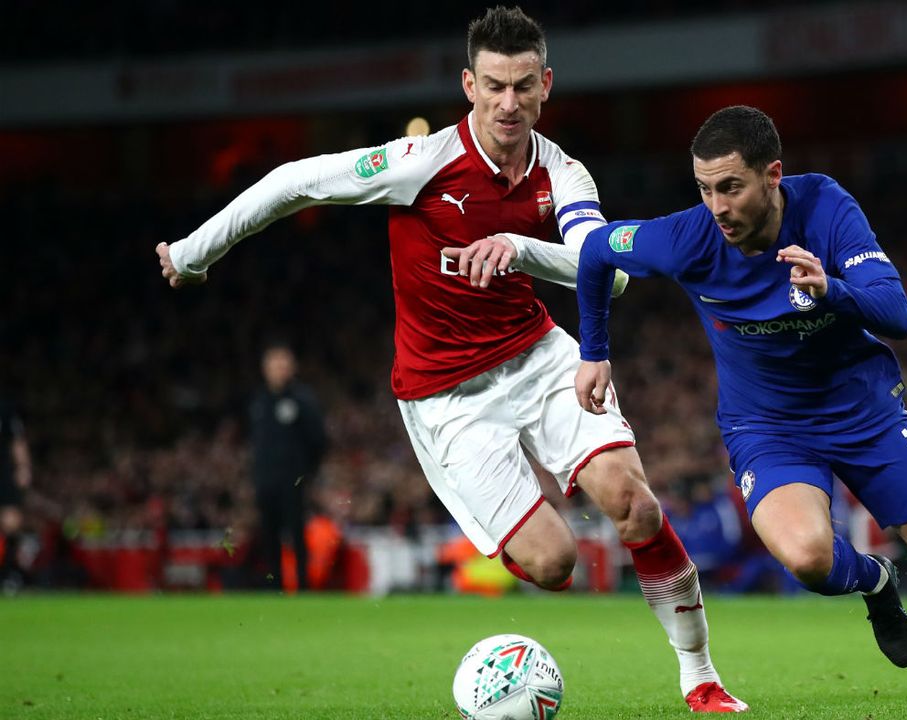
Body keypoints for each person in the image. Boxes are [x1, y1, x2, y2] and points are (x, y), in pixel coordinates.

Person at [155, 7, 745, 711]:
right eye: (494, 85)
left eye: (524, 85)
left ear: (546, 84)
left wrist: (519, 247)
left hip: (538, 357)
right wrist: (194, 255)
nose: (508, 103)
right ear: (469, 84)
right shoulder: (422, 163)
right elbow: (292, 182)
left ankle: (700, 677)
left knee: (635, 506)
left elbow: (607, 269)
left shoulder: (564, 172)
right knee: (554, 562)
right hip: (447, 400)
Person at [573, 105, 907, 710]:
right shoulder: (687, 237)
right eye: (705, 189)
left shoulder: (826, 207)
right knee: (808, 559)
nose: (717, 207)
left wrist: (832, 290)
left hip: (863, 411)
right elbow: (596, 252)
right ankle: (876, 579)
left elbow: (898, 314)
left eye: (731, 187)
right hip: (766, 426)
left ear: (773, 176)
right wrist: (595, 351)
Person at [249, 343, 327, 591]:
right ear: (265, 369)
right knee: (268, 535)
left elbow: (319, 440)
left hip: (293, 480)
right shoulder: (258, 400)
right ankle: (275, 587)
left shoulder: (303, 400)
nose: (279, 370)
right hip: (265, 480)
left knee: (296, 534)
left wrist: (306, 472)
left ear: (292, 368)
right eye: (274, 365)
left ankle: (303, 587)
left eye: (283, 364)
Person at [0, 395, 32, 593]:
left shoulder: (4, 408)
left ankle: (9, 574)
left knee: (10, 522)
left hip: (2, 470)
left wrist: (23, 467)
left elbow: (17, 440)